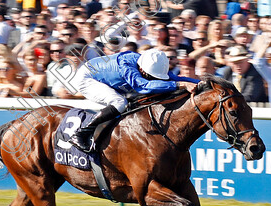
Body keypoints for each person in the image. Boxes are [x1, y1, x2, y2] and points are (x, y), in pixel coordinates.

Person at [70, 49, 198, 153]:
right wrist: (179, 85)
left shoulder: (149, 64)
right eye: (151, 77)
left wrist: (202, 82)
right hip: (87, 78)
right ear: (142, 69)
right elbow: (143, 86)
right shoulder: (127, 66)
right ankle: (81, 133)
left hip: (106, 79)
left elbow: (174, 78)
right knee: (120, 103)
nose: (154, 79)